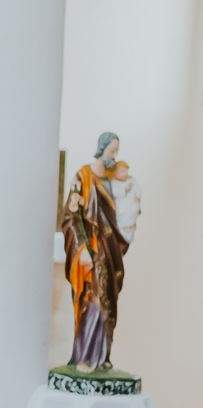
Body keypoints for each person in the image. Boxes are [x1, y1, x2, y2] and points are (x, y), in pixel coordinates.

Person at [62, 131, 139, 371]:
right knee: (91, 300)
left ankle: (103, 356)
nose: (114, 156)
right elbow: (70, 217)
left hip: (110, 251)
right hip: (92, 251)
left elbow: (125, 207)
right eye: (112, 151)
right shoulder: (83, 177)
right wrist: (82, 249)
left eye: (116, 152)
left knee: (109, 304)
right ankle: (86, 356)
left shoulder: (114, 179)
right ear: (102, 148)